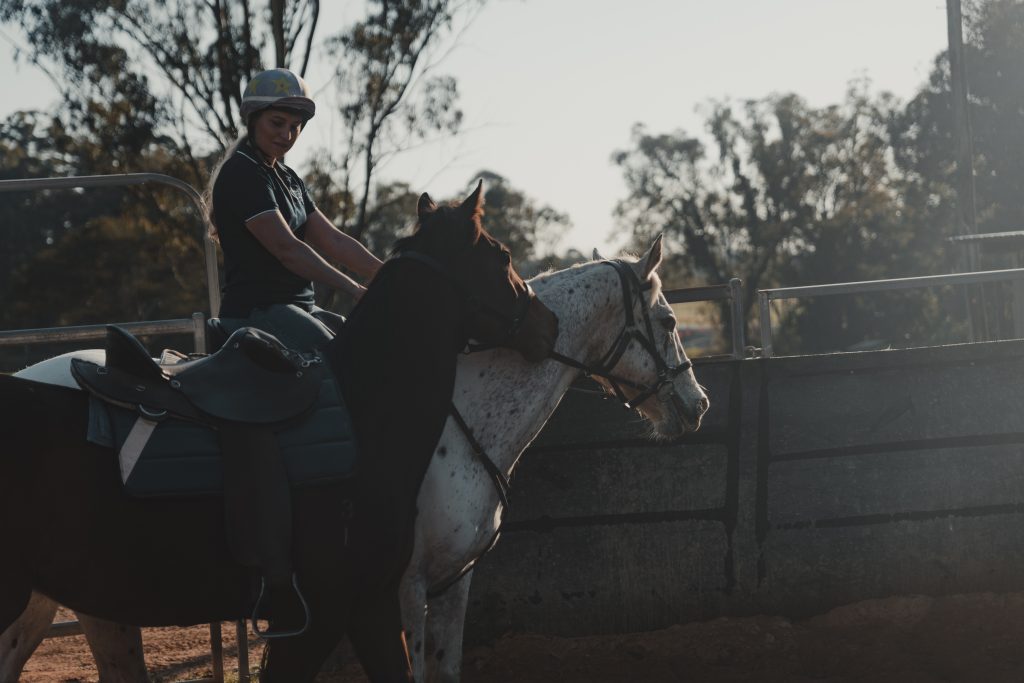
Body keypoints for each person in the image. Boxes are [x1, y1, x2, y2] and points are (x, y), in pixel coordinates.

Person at [206, 67, 382, 351]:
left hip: (301, 309)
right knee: (343, 367)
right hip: (257, 313)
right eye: (277, 123)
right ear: (253, 119)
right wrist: (354, 288)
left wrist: (386, 274)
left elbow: (333, 240)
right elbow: (289, 250)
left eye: (294, 126)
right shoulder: (242, 173)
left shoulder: (289, 178)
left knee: (370, 346)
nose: (286, 134)